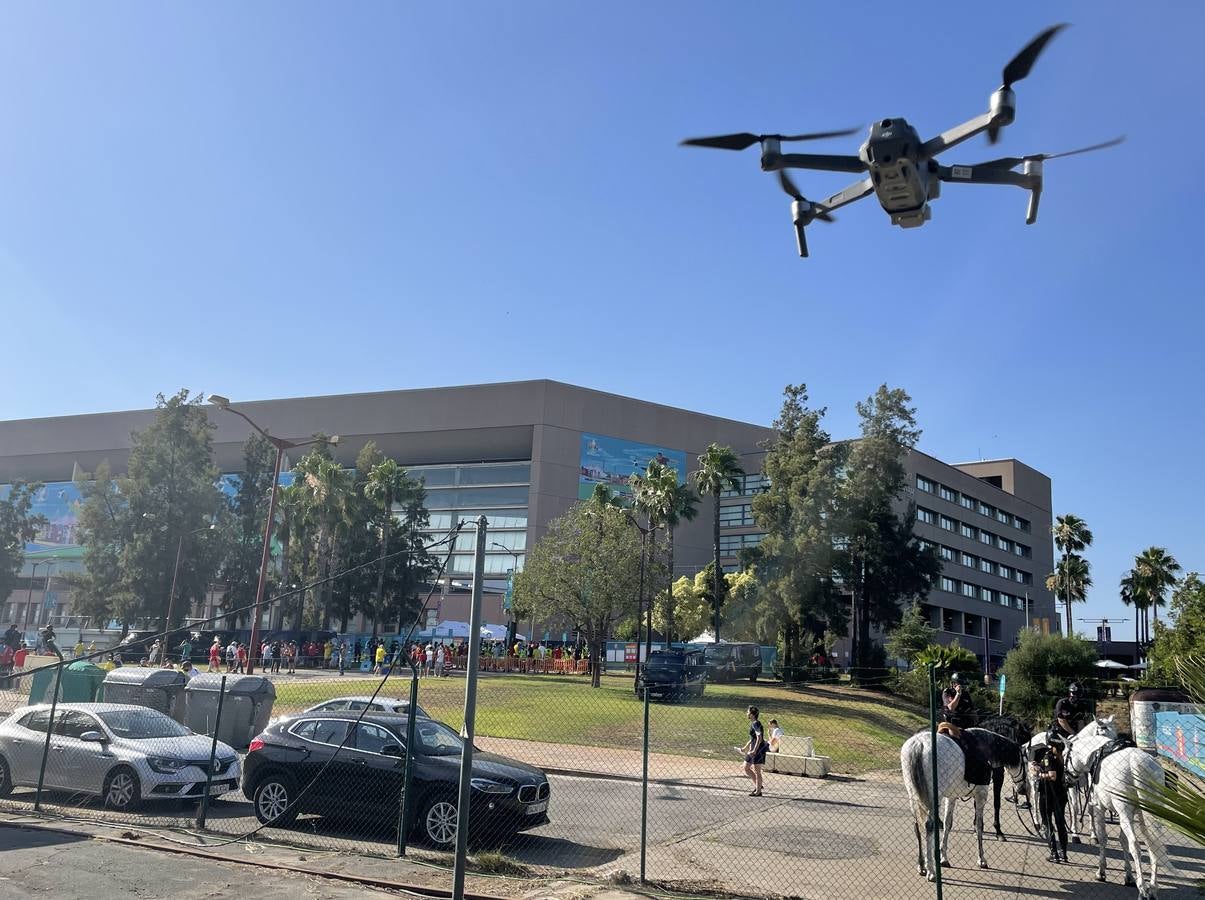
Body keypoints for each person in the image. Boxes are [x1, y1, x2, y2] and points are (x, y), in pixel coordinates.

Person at [1031, 738, 1069, 862]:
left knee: (1047, 822)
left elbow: (1052, 776)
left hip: (1048, 794)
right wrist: (1038, 766)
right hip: (1061, 794)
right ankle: (1063, 852)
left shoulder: (1049, 757)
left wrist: (1039, 774)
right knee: (1060, 823)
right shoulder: (1063, 757)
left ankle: (1054, 852)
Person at [741, 706, 767, 796]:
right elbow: (753, 738)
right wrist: (745, 747)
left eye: (748, 712)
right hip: (753, 748)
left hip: (758, 749)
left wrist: (754, 750)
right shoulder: (754, 723)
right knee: (746, 767)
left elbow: (759, 738)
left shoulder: (756, 724)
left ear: (752, 714)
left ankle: (758, 791)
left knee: (757, 770)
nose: (747, 713)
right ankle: (758, 785)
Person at [940, 673, 975, 737]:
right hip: (952, 723)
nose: (962, 687)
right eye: (960, 684)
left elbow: (971, 708)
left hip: (965, 722)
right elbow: (951, 708)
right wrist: (958, 694)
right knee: (956, 736)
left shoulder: (965, 694)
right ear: (953, 684)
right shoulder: (947, 692)